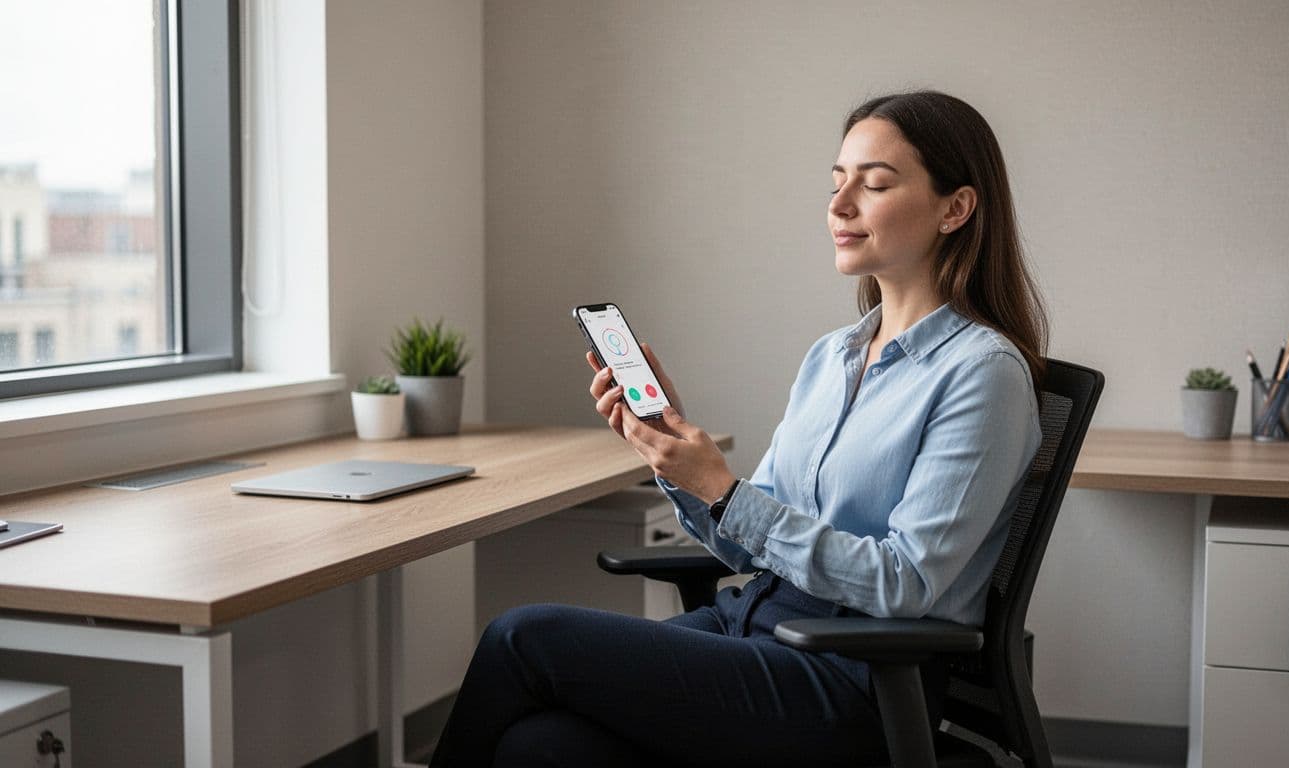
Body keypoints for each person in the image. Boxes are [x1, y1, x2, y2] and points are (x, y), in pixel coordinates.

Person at [429, 89, 1047, 768]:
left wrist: (725, 492)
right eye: (837, 182)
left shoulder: (982, 373)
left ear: (955, 208)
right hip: (754, 627)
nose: (840, 206)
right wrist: (673, 455)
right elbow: (752, 542)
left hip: (854, 680)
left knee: (524, 637)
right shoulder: (834, 355)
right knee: (536, 747)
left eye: (874, 184)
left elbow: (905, 583)